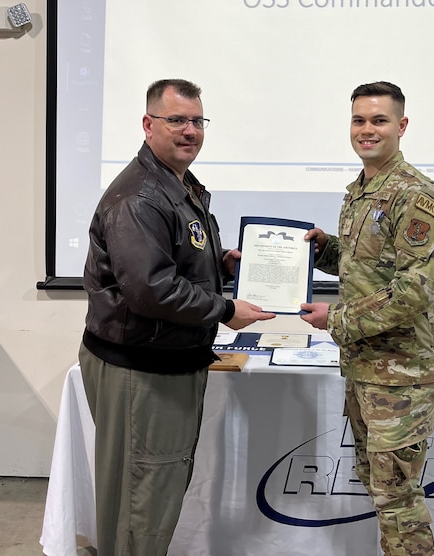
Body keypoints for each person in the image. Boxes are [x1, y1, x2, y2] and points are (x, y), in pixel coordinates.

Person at [78, 78, 275, 556]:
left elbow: (172, 262)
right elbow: (150, 291)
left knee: (155, 490)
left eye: (197, 121)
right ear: (148, 125)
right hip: (140, 371)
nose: (190, 131)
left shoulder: (177, 185)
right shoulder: (141, 196)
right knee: (140, 499)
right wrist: (226, 308)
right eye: (176, 121)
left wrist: (220, 265)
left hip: (166, 364)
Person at [299, 81, 434, 556]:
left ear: (401, 127)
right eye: (359, 120)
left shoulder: (416, 196)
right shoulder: (362, 190)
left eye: (379, 120)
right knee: (378, 487)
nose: (367, 130)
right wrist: (325, 250)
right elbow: (367, 266)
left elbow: (414, 290)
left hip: (401, 375)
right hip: (367, 369)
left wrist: (337, 319)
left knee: (398, 498)